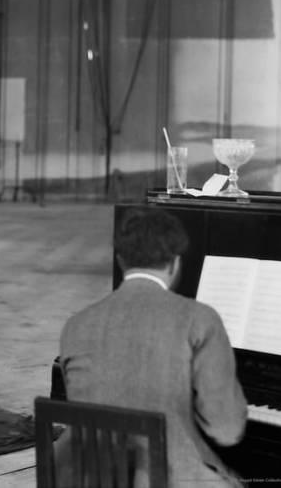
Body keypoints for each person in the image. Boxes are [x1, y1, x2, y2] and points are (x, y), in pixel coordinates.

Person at [57, 207, 247, 487]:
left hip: (86, 478)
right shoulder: (199, 319)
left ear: (121, 261)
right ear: (175, 263)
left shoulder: (75, 325)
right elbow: (227, 429)